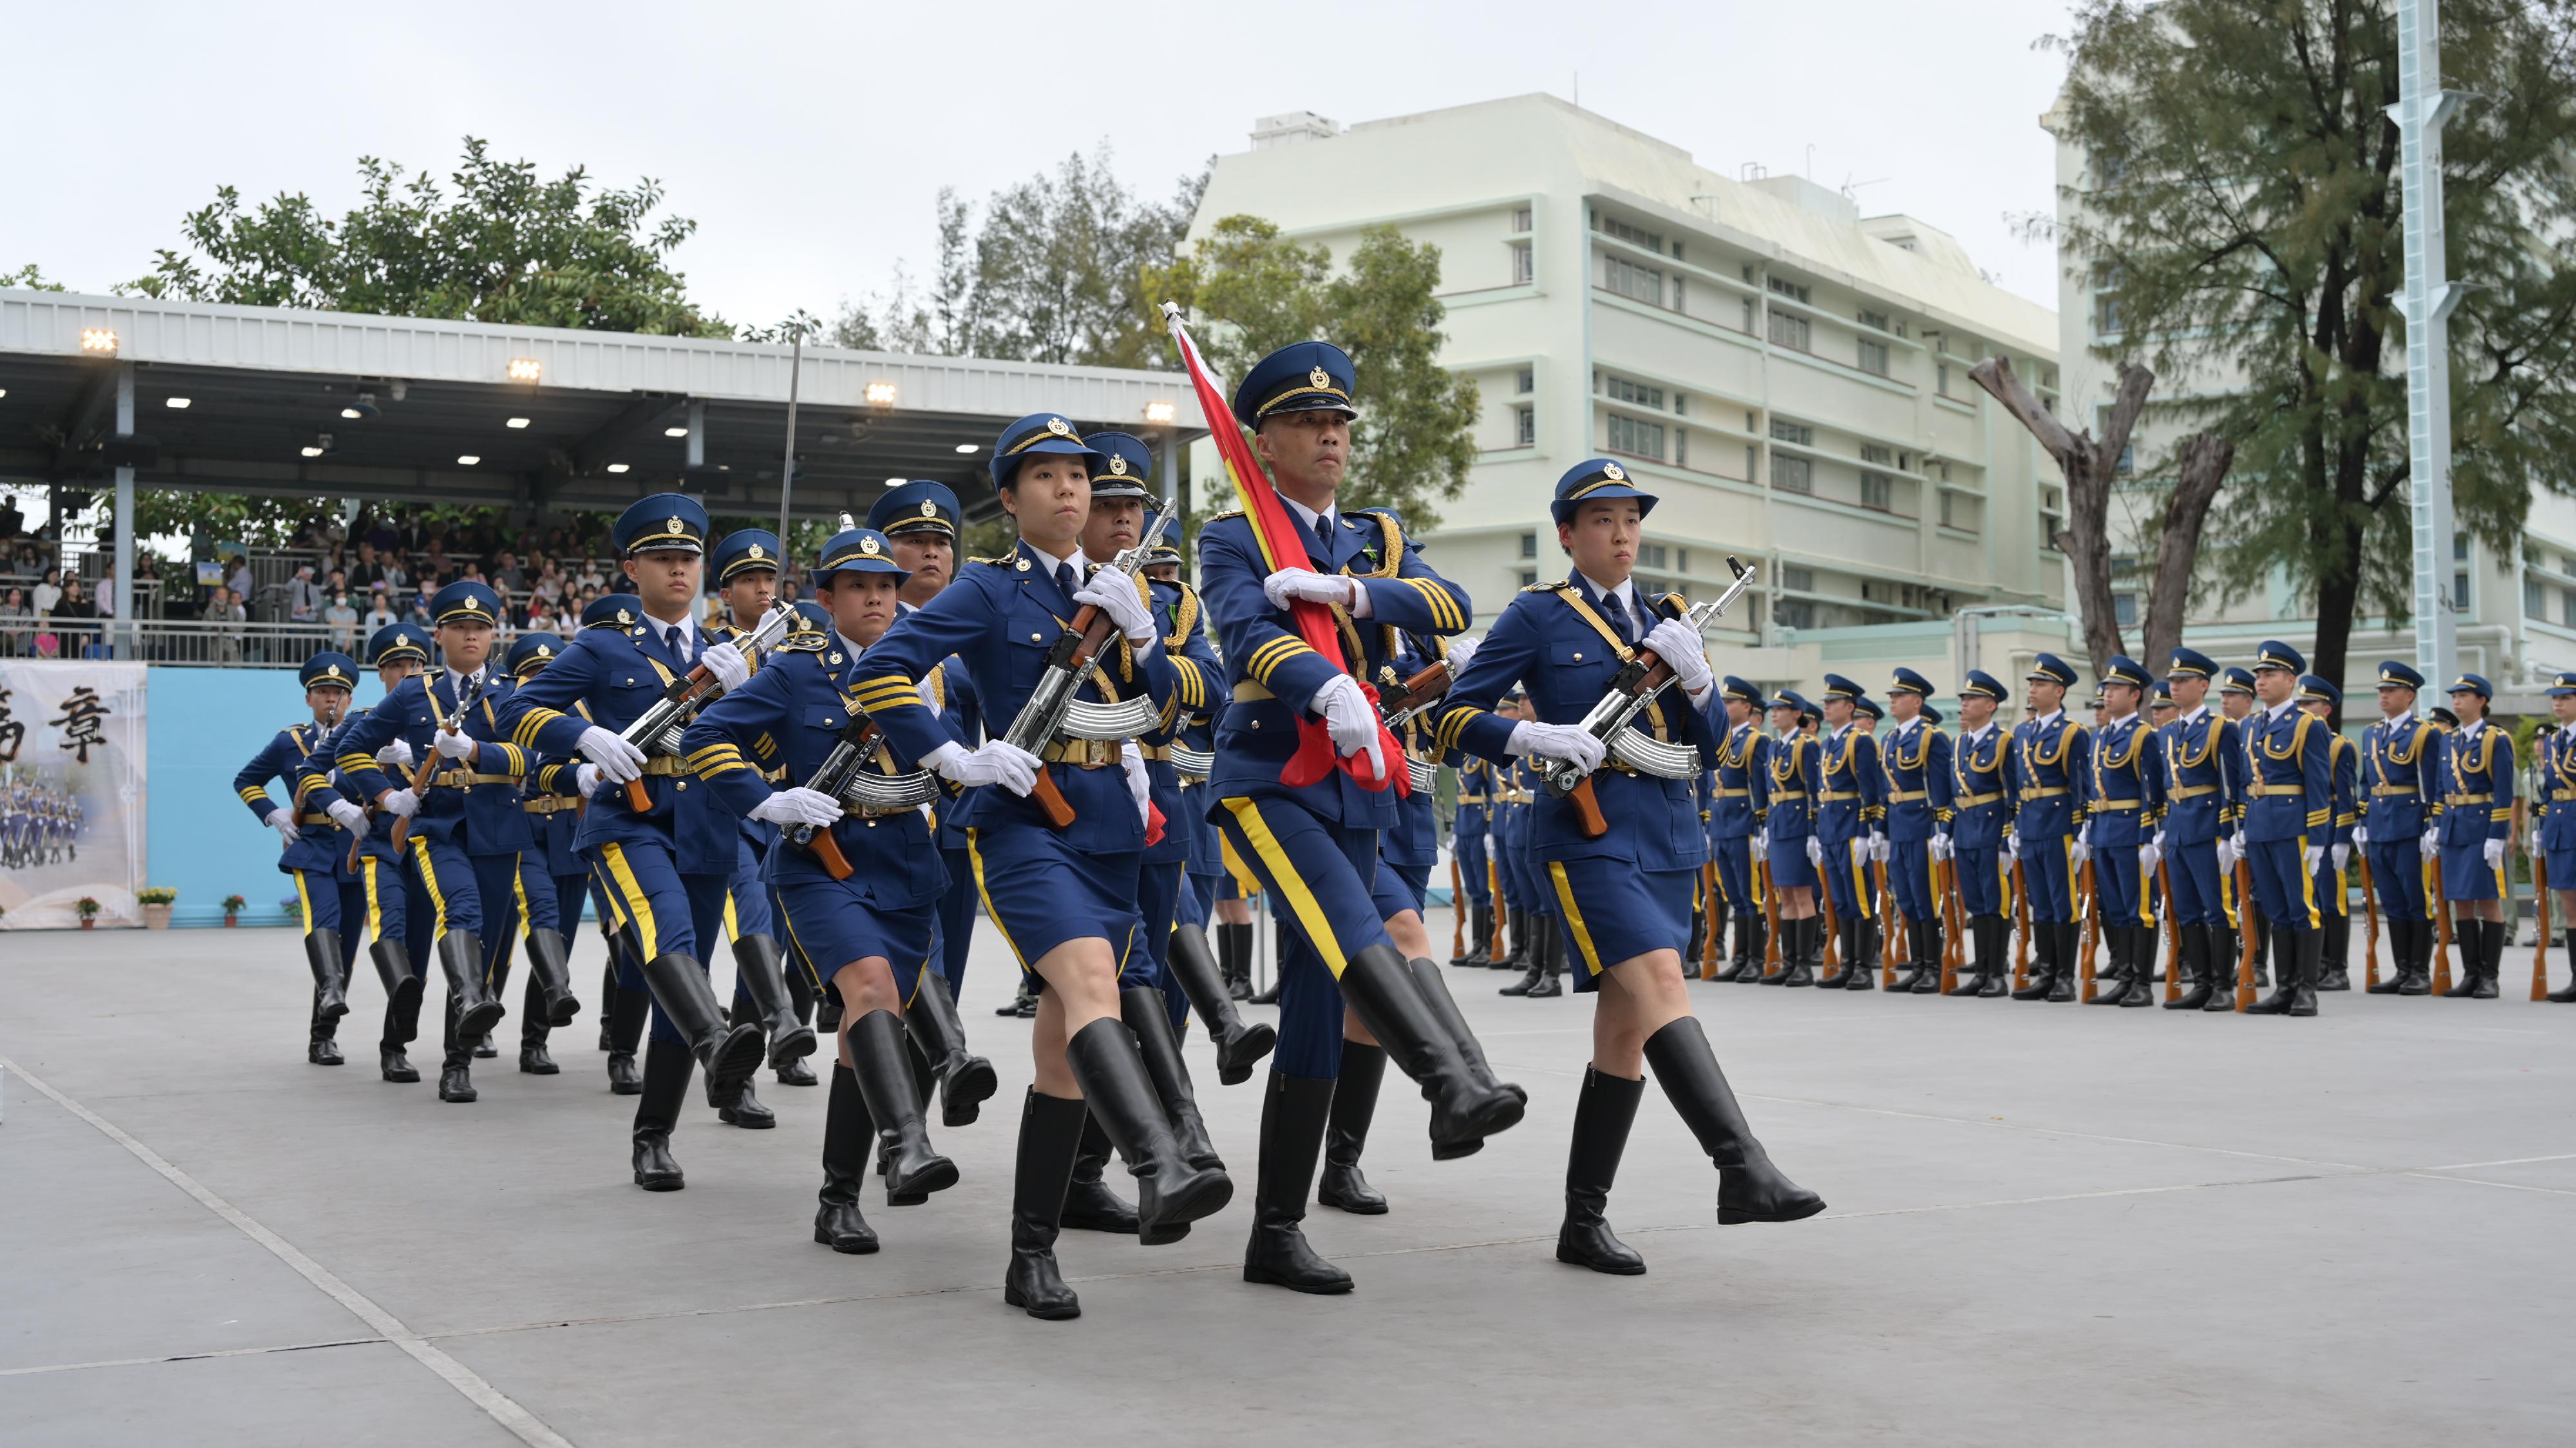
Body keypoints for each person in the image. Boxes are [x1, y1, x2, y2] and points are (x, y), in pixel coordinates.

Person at [849, 412, 1227, 1320]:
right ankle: (1159, 1162)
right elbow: (882, 675)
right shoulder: (989, 591)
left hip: (1114, 830)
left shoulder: (1139, 594)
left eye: (1079, 476)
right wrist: (951, 759)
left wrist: (1144, 647)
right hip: (1025, 830)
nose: (1069, 489)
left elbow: (1198, 702)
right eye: (1046, 476)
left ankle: (1031, 1254)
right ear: (1012, 499)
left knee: (1062, 1052)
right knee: (1094, 979)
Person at [1437, 457, 1822, 1275]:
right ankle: (1739, 1164)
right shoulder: (1539, 617)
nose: (1621, 534)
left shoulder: (1667, 620)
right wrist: (1529, 736)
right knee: (1663, 987)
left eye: (1631, 520)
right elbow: (1452, 713)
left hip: (1669, 836)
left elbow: (1712, 746)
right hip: (1588, 832)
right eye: (1603, 521)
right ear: (1568, 534)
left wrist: (1700, 678)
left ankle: (1583, 1222)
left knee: (1625, 1032)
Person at [1195, 345, 1523, 1297]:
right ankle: (1451, 1083)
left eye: (1338, 423)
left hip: (1360, 789)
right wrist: (1323, 678)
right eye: (1306, 423)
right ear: (1265, 443)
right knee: (1354, 931)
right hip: (1272, 781)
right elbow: (1244, 631)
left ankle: (1279, 1232)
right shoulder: (1236, 538)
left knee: (1317, 1008)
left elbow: (1449, 602)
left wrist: (1350, 594)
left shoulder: (1371, 537)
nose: (1330, 435)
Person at [684, 524, 962, 1255]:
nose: (875, 598)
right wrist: (764, 802)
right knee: (868, 990)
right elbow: (703, 736)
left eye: (885, 586)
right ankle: (905, 1142)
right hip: (822, 863)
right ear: (827, 597)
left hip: (905, 860)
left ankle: (837, 1197)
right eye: (858, 587)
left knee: (865, 1030)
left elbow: (962, 753)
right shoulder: (794, 672)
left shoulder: (926, 672)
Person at [494, 497, 771, 1189]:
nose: (679, 569)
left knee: (687, 983)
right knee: (667, 938)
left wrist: (754, 688)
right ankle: (715, 1043)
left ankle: (654, 1135)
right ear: (633, 568)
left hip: (707, 825)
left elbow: (767, 747)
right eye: (663, 559)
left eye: (688, 559)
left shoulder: (727, 652)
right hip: (630, 822)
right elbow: (515, 709)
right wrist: (584, 736)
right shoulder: (605, 645)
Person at [330, 582, 533, 1099]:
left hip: (498, 825)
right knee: (461, 911)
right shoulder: (413, 691)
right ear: (439, 633)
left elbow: (536, 760)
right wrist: (386, 796)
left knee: (483, 939)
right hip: (439, 826)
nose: (471, 636)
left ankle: (456, 1060)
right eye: (461, 628)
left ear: (494, 635)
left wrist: (476, 751)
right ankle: (461, 1008)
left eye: (481, 628)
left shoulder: (512, 692)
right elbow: (353, 748)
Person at [868, 481, 1008, 1120]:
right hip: (884, 828)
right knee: (907, 978)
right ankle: (899, 1125)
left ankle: (916, 1120)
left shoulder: (971, 638)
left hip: (954, 832)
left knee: (942, 978)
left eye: (940, 543)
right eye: (913, 542)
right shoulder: (864, 632)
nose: (929, 554)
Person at [693, 528, 819, 1130]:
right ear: (726, 592)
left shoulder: (797, 651)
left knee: (783, 941)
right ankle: (756, 1051)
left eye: (770, 579)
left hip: (789, 806)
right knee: (754, 925)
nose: (764, 589)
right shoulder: (709, 651)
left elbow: (794, 741)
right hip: (733, 809)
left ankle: (773, 1044)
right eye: (748, 580)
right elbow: (716, 738)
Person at [232, 653, 368, 1063]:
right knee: (321, 918)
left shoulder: (367, 735)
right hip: (311, 845)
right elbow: (246, 780)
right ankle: (329, 993)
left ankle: (323, 1034)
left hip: (356, 848)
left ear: (350, 699)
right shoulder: (289, 742)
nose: (332, 700)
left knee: (347, 941)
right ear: (309, 699)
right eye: (323, 692)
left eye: (339, 693)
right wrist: (272, 814)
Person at [493, 633, 588, 1078]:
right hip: (522, 831)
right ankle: (487, 1011)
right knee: (540, 918)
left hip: (568, 836)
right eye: (533, 674)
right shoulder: (506, 717)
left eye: (548, 674)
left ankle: (535, 1041)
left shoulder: (576, 716)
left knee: (560, 940)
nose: (541, 681)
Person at [2235, 642, 2332, 1016]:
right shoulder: (2251, 726)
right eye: (2258, 675)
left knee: (2302, 907)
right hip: (2260, 825)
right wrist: (2242, 827)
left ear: (2290, 681)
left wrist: (2319, 839)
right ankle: (2285, 987)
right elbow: (2246, 781)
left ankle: (2307, 989)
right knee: (2275, 910)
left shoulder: (2307, 725)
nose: (2261, 681)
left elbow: (2319, 785)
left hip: (2294, 828)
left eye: (2269, 675)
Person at [2159, 649, 2247, 1011]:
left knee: (2218, 909)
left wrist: (2228, 835)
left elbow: (2232, 784)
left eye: (2183, 681)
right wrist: (2163, 826)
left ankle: (2224, 984)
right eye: (2173, 681)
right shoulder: (2166, 733)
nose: (2175, 687)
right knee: (2187, 909)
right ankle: (2202, 981)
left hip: (2208, 828)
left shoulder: (2220, 729)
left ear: (2203, 686)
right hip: (2179, 827)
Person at [2080, 657, 2166, 1007]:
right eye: (2105, 688)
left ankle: (2141, 983)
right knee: (2115, 909)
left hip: (2132, 831)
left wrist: (2149, 838)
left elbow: (2153, 792)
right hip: (2103, 832)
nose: (2107, 694)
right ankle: (2125, 976)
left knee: (2139, 909)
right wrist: (2088, 826)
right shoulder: (2099, 736)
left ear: (2134, 695)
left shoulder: (2144, 736)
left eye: (2115, 689)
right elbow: (2092, 787)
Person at [2008, 655, 2091, 1002]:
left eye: (2040, 684)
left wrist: (2081, 830)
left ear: (2059, 691)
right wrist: (2015, 825)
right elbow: (2016, 784)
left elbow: (2081, 786)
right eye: (2031, 684)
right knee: (2039, 903)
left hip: (2059, 827)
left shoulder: (2072, 734)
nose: (2032, 689)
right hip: (2030, 825)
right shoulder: (2023, 732)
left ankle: (2064, 977)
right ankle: (2045, 972)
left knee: (2063, 903)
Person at [2359, 662, 2439, 995]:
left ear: (2409, 696)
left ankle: (2420, 970)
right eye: (2381, 690)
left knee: (2415, 899)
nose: (2384, 695)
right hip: (2379, 824)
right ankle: (2403, 969)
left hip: (2409, 825)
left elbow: (2433, 784)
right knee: (2391, 900)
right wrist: (2362, 821)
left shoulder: (2425, 733)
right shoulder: (2371, 733)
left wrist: (2431, 826)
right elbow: (2366, 784)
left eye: (2391, 690)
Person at [2433, 672, 2513, 998]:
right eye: (2455, 695)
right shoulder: (2448, 739)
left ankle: (2490, 976)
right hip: (2453, 825)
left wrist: (2497, 835)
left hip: (2481, 827)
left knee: (2488, 900)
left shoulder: (2496, 739)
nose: (2457, 700)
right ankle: (2471, 973)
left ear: (2481, 701)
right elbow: (2440, 788)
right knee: (2461, 901)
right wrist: (2435, 826)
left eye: (2464, 695)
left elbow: (2504, 792)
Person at [1942, 671, 2016, 996]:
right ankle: (1981, 971)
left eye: (1971, 699)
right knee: (1976, 905)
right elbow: (1951, 794)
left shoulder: (2003, 741)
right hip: (1965, 831)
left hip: (1990, 830)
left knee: (1996, 904)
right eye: (1963, 699)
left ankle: (1996, 974)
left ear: (1990, 705)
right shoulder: (1959, 742)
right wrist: (1945, 831)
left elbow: (2011, 795)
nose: (1964, 704)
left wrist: (2006, 840)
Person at [1880, 669, 1953, 993]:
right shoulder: (1890, 738)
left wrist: (1943, 828)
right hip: (1898, 827)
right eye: (1893, 696)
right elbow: (1886, 790)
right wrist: (1881, 830)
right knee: (1906, 899)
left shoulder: (1931, 736)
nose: (1893, 701)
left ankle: (1933, 968)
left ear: (1918, 702)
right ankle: (1919, 965)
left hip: (1923, 825)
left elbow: (1940, 787)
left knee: (1926, 898)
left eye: (1900, 696)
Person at [1810, 676, 1886, 988]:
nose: (1826, 707)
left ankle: (1864, 967)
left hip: (1852, 828)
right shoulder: (1830, 743)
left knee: (1861, 900)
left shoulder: (1860, 740)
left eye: (1833, 702)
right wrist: (1817, 832)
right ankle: (1847, 963)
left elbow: (1871, 791)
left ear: (1850, 707)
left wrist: (1867, 832)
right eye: (1825, 703)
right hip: (1830, 829)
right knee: (1839, 900)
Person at [2297, 675, 2361, 991]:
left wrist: (2342, 839)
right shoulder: (2299, 738)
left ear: (2326, 710)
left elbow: (2347, 797)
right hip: (2309, 825)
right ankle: (2320, 964)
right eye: (2301, 704)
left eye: (2309, 704)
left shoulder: (2340, 746)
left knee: (2334, 901)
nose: (2303, 709)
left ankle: (2338, 967)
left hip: (2332, 824)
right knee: (2315, 898)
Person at [1762, 691, 1825, 986]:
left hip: (1799, 826)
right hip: (1779, 825)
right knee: (1785, 894)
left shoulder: (1807, 745)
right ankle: (1789, 962)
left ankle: (1804, 963)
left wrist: (1814, 833)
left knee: (1802, 895)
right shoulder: (1776, 747)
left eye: (1781, 709)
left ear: (1796, 714)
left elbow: (1815, 792)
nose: (1774, 714)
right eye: (1773, 709)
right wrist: (1765, 827)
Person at [2533, 672, 2576, 1003]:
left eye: (2566, 698)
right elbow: (2549, 791)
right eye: (2555, 698)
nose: (2558, 703)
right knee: (2568, 902)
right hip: (2561, 826)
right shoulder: (2553, 740)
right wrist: (2543, 828)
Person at [1, 587, 29, 656]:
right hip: (5, 642)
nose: (16, 597)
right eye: (13, 595)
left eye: (18, 595)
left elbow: (28, 623)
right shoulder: (2, 609)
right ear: (8, 596)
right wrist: (9, 632)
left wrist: (16, 632)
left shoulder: (25, 610)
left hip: (21, 643)